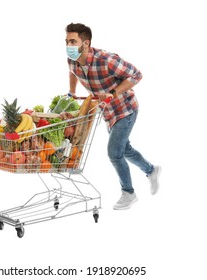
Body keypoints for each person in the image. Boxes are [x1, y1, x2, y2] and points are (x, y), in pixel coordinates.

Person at [65, 23, 161, 210]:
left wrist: (113, 92)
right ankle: (151, 170)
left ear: (86, 43)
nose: (68, 45)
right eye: (67, 41)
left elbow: (136, 74)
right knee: (125, 149)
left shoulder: (106, 60)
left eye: (73, 41)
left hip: (125, 109)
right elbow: (72, 72)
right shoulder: (72, 60)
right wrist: (71, 91)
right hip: (108, 113)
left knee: (114, 153)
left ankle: (128, 193)